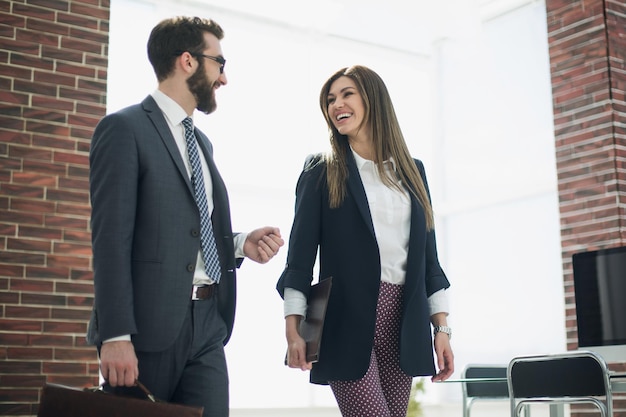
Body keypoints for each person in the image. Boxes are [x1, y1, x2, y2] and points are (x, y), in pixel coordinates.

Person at [86, 16, 284, 417]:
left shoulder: (201, 143)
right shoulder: (123, 129)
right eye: (219, 63)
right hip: (147, 330)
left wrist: (238, 243)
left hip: (208, 323)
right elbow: (110, 240)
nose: (224, 79)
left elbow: (190, 230)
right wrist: (115, 335)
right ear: (188, 62)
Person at [276, 65, 454, 417]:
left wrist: (442, 329)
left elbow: (429, 263)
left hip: (403, 319)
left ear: (373, 99)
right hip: (344, 320)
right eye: (330, 99)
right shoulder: (321, 170)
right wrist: (293, 328)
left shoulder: (413, 172)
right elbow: (299, 259)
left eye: (346, 94)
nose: (336, 105)